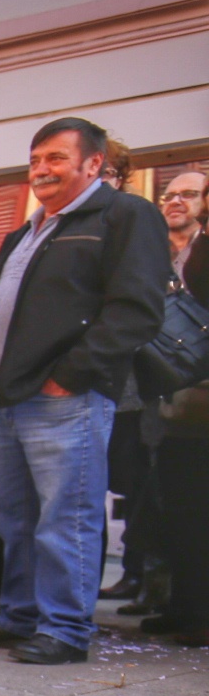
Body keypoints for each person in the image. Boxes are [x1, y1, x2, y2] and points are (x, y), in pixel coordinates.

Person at [0, 117, 169, 664]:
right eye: (35, 160)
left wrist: (72, 374)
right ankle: (21, 614)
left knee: (65, 517)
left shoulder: (125, 215)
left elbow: (136, 310)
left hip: (65, 397)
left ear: (94, 163)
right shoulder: (31, 228)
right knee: (14, 518)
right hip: (10, 395)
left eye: (55, 158)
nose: (41, 170)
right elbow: (3, 302)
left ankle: (66, 628)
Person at [145, 224, 209, 646]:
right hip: (186, 396)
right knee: (182, 510)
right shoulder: (193, 247)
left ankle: (197, 612)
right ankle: (186, 605)